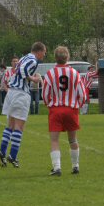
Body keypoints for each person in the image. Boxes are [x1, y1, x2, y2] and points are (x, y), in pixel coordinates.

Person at [0, 42, 47, 168]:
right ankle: (13, 155)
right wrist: (33, 79)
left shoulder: (25, 57)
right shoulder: (33, 60)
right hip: (21, 94)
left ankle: (2, 152)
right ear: (39, 51)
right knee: (19, 127)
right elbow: (23, 69)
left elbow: (19, 68)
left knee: (10, 125)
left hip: (12, 92)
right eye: (44, 53)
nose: (44, 55)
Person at [42, 46, 87, 176]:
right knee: (73, 140)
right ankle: (75, 166)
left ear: (55, 57)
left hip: (56, 109)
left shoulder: (50, 73)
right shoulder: (75, 73)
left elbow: (45, 94)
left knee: (54, 140)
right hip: (71, 109)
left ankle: (57, 168)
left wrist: (49, 104)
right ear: (68, 57)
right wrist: (77, 105)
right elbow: (83, 94)